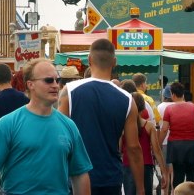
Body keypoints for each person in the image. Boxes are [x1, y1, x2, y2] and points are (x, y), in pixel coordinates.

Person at [0, 57, 92, 195]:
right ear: (30, 84)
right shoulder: (8, 123)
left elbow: (80, 174)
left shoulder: (69, 125)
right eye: (48, 80)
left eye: (57, 80)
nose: (55, 85)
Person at [59, 38, 143, 195]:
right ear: (114, 62)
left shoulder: (69, 92)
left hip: (75, 177)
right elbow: (133, 148)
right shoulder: (127, 100)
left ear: (89, 60)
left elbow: (59, 137)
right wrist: (141, 189)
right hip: (110, 178)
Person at [121, 85, 168, 195]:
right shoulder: (149, 126)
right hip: (146, 165)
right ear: (143, 109)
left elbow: (118, 148)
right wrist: (163, 171)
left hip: (128, 165)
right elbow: (156, 150)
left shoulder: (122, 126)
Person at [158, 82, 194, 190]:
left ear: (172, 94)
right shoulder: (193, 108)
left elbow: (164, 129)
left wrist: (158, 143)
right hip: (192, 144)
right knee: (191, 172)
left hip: (176, 145)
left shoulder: (169, 110)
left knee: (178, 175)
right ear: (183, 94)